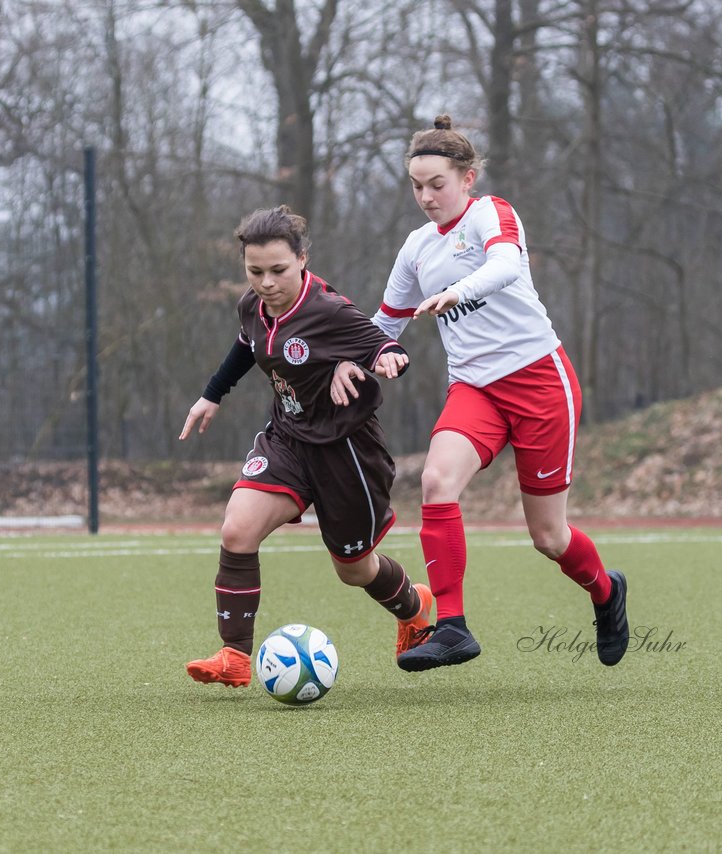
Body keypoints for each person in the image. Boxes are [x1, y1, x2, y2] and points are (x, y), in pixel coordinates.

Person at [345, 115, 629, 670]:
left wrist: (455, 292)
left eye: (436, 184)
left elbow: (503, 266)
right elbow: (385, 324)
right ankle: (452, 626)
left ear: (468, 178)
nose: (425, 197)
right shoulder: (417, 247)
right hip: (475, 388)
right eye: (416, 186)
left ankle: (605, 592)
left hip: (539, 382)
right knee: (435, 480)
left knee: (548, 537)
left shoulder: (491, 215)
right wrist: (353, 358)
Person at [181, 205, 435, 687]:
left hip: (347, 452)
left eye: (278, 270)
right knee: (237, 531)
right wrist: (211, 395)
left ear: (302, 259)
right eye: (255, 271)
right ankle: (234, 658)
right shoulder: (251, 305)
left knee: (354, 571)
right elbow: (245, 345)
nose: (267, 282)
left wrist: (382, 362)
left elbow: (382, 345)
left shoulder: (327, 309)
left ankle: (414, 606)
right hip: (289, 439)